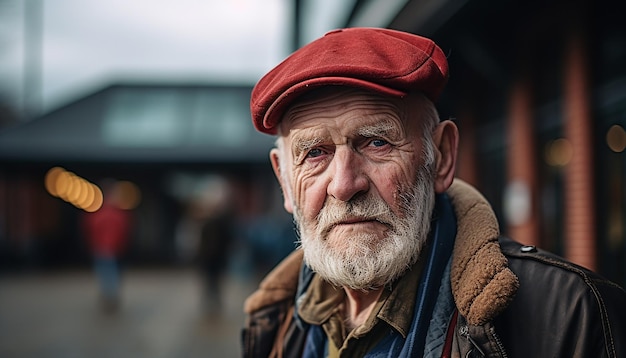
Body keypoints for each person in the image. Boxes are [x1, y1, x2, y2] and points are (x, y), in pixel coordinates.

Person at [241, 28, 626, 357]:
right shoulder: (273, 321)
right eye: (314, 153)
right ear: (285, 180)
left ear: (440, 156)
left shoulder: (569, 314)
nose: (344, 185)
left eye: (377, 142)